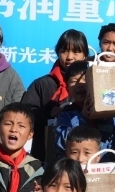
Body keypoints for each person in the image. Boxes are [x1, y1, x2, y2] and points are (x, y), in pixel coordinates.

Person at [21, 29, 90, 160]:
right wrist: (48, 112)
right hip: (46, 154)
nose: (69, 57)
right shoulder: (42, 84)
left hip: (87, 157)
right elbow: (24, 116)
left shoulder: (93, 84)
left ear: (85, 55)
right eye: (64, 51)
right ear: (58, 53)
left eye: (76, 51)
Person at [51, 60, 115, 161]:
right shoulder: (66, 115)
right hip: (77, 167)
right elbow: (61, 144)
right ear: (67, 87)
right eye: (74, 81)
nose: (80, 84)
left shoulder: (112, 114)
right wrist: (82, 118)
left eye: (85, 80)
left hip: (106, 167)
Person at [0, 102, 43, 192]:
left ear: (30, 134)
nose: (14, 129)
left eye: (21, 126)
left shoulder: (38, 169)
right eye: (8, 124)